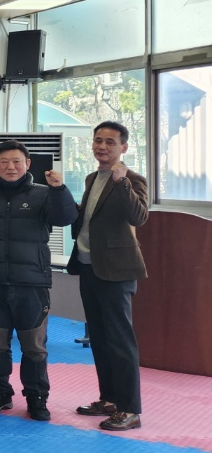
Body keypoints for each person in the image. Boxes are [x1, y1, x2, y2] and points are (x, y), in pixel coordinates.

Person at [0, 140, 78, 421]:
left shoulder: (44, 193)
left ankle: (37, 397)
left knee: (34, 347)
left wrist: (60, 189)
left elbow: (66, 217)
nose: (10, 167)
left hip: (32, 283)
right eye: (4, 161)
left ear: (27, 164)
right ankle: (0, 391)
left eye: (17, 161)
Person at [68, 121, 148, 432]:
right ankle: (110, 399)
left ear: (123, 147)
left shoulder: (133, 179)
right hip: (89, 265)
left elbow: (138, 217)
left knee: (120, 340)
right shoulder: (91, 177)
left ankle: (130, 409)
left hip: (117, 269)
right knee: (99, 338)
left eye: (110, 142)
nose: (102, 146)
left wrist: (122, 182)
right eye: (98, 141)